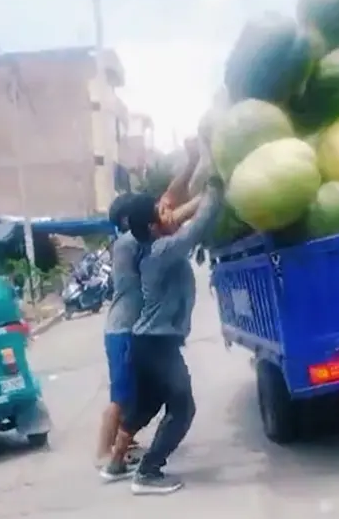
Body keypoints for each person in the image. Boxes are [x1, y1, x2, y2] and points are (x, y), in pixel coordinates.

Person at [101, 179, 223, 495]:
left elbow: (183, 224)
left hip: (148, 343)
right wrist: (217, 187)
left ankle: (115, 463)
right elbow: (199, 225)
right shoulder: (162, 251)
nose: (168, 214)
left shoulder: (153, 248)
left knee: (146, 407)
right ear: (154, 226)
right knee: (183, 408)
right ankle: (148, 472)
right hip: (157, 344)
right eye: (161, 212)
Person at [95, 140, 203, 473]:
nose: (161, 210)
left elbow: (168, 204)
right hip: (126, 329)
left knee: (142, 397)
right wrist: (211, 195)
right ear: (131, 220)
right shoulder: (132, 243)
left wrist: (191, 161)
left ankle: (118, 454)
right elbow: (175, 216)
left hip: (135, 329)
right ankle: (106, 455)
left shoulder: (140, 235)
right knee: (123, 397)